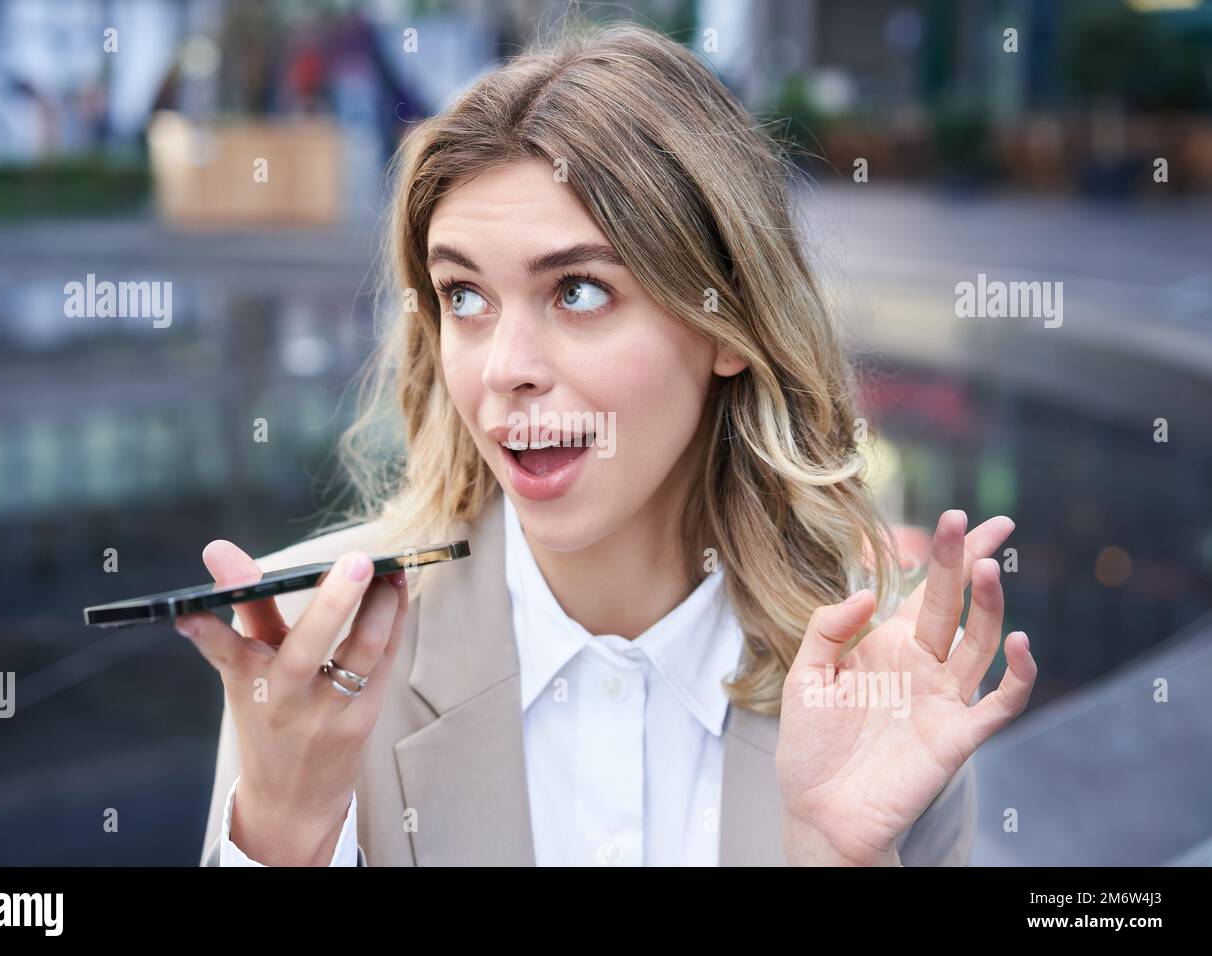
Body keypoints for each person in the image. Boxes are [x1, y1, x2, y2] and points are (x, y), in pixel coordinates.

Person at [186, 21, 1036, 867]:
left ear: (728, 323)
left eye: (579, 291)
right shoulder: (304, 654)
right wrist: (285, 833)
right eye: (465, 295)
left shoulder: (881, 679)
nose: (504, 369)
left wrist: (832, 856)